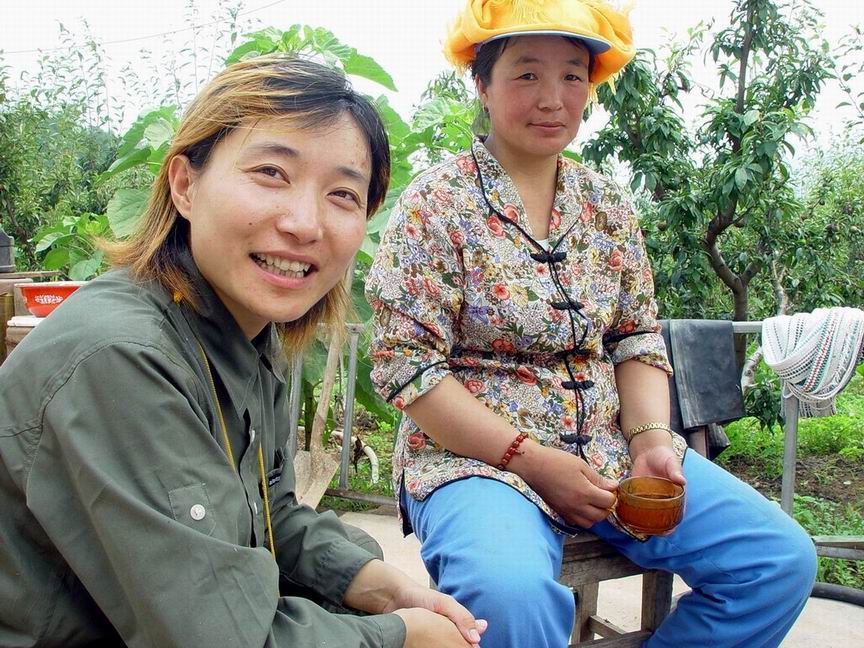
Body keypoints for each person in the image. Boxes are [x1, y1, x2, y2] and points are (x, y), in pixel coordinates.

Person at [366, 1, 817, 646]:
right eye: (526, 74)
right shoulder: (434, 205)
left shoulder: (607, 205)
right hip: (474, 462)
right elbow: (408, 367)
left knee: (777, 561)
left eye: (572, 76)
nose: (553, 98)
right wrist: (533, 461)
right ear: (482, 85)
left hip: (609, 451)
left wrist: (651, 441)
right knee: (509, 596)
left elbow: (635, 337)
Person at [0, 54, 487, 648]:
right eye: (271, 173)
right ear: (185, 185)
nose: (305, 223)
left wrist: (383, 589)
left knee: (360, 552)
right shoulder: (121, 357)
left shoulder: (246, 335)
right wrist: (402, 636)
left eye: (342, 194)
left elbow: (268, 509)